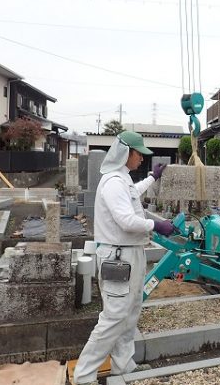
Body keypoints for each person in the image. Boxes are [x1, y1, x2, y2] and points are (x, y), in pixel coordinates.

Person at [73, 131, 174, 385]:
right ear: (126, 152)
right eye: (139, 153)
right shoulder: (113, 182)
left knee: (130, 314)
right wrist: (156, 225)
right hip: (118, 257)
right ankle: (84, 375)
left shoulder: (123, 179)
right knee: (114, 317)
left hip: (130, 253)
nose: (141, 158)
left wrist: (152, 177)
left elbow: (134, 194)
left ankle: (123, 366)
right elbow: (126, 220)